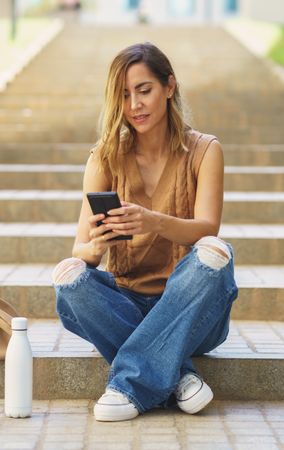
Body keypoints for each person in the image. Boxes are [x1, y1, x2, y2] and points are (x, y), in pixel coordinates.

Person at [51, 42, 239, 422]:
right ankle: (180, 375)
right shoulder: (104, 157)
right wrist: (95, 246)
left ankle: (128, 387)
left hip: (191, 307)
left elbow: (207, 228)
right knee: (70, 280)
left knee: (215, 253)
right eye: (123, 95)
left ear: (169, 87)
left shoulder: (205, 151)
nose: (134, 105)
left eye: (144, 90)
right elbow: (80, 249)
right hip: (124, 302)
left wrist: (154, 221)